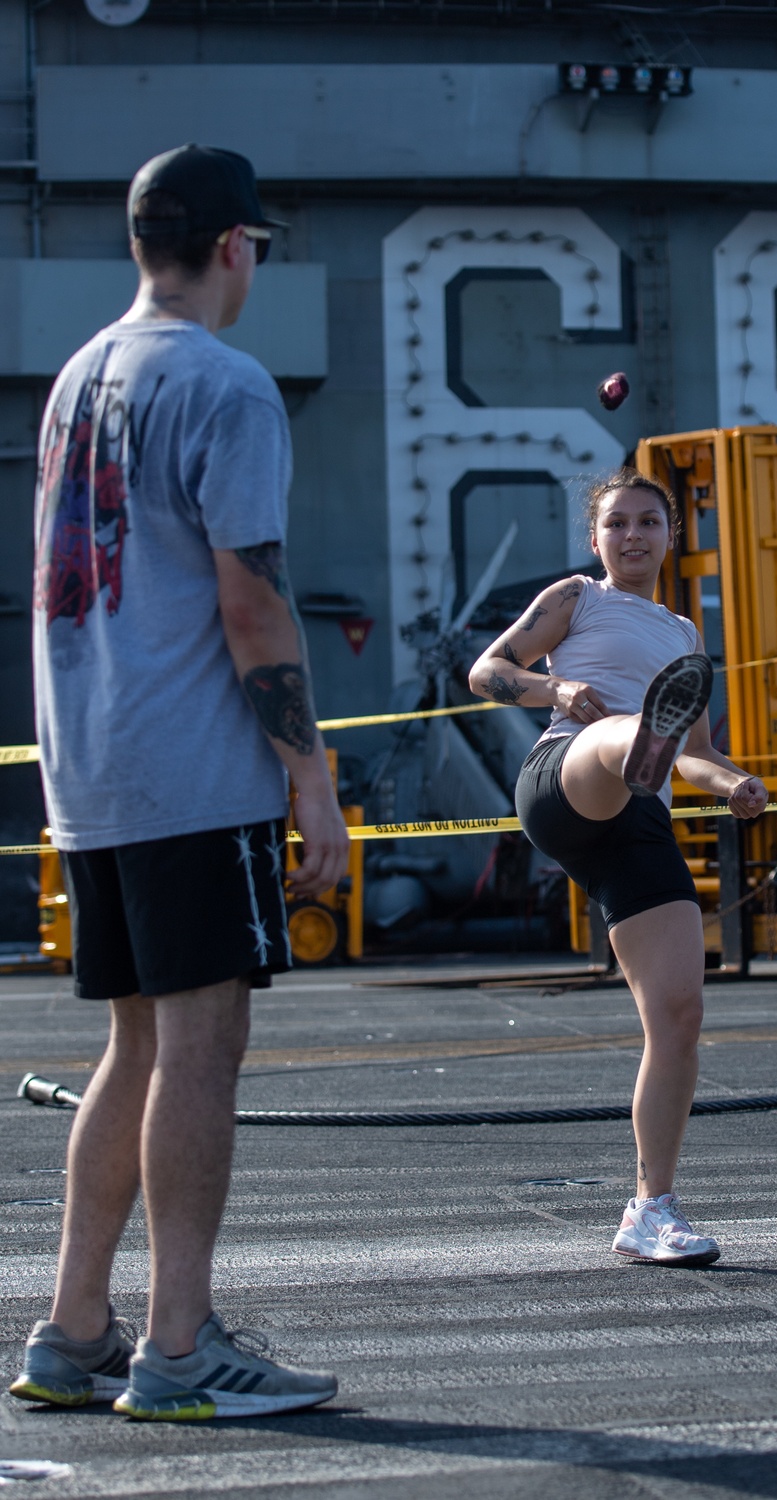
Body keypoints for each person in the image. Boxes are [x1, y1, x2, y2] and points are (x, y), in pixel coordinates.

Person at [10, 144, 350, 1421]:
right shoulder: (225, 382)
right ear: (233, 248)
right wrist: (309, 779)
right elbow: (252, 603)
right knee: (203, 1049)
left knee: (134, 1044)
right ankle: (180, 1346)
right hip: (192, 770)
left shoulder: (79, 377)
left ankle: (74, 1329)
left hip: (91, 764)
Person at [468, 468, 768, 1266]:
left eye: (648, 523)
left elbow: (696, 757)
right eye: (617, 525)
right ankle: (635, 741)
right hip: (568, 775)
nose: (632, 536)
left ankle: (650, 1210)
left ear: (671, 537)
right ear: (595, 539)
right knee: (622, 734)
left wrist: (734, 781)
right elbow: (485, 671)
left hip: (641, 820)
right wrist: (555, 685)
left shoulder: (684, 636)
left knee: (678, 1014)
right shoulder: (578, 599)